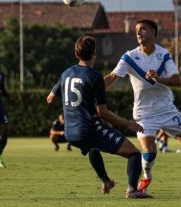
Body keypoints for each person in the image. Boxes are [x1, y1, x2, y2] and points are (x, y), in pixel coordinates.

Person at [104, 19, 181, 193]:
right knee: (149, 151)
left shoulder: (163, 55)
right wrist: (90, 88)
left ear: (154, 32)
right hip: (143, 114)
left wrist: (159, 78)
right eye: (137, 30)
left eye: (143, 29)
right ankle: (146, 178)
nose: (139, 32)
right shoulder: (129, 57)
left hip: (167, 110)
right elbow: (112, 77)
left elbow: (177, 80)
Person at [46, 36, 151, 199]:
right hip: (89, 129)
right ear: (95, 53)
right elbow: (103, 112)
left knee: (92, 148)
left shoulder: (66, 73)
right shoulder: (95, 77)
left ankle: (106, 181)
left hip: (70, 133)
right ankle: (132, 189)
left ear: (76, 54)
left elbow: (50, 98)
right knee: (134, 154)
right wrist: (127, 124)